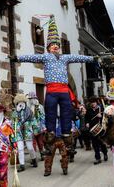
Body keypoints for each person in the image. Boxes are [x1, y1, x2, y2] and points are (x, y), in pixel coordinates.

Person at [10, 15, 99, 160]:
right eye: (52, 44)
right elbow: (31, 57)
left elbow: (79, 57)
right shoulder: (45, 57)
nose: (55, 46)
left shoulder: (65, 57)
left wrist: (92, 58)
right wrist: (17, 58)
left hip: (64, 92)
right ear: (48, 47)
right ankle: (48, 147)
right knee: (50, 117)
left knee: (66, 116)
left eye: (57, 44)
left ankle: (69, 146)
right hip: (51, 91)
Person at [11, 94, 37, 172]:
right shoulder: (15, 112)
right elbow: (13, 122)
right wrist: (16, 112)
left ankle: (34, 159)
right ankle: (22, 165)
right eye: (19, 102)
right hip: (19, 131)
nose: (21, 103)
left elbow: (33, 120)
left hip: (27, 130)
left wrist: (35, 129)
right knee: (20, 148)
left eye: (22, 102)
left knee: (30, 147)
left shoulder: (29, 111)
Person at [85, 96, 108, 164]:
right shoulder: (89, 110)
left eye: (94, 102)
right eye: (92, 103)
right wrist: (87, 123)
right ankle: (98, 158)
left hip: (100, 129)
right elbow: (86, 118)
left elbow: (106, 118)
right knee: (95, 144)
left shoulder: (101, 109)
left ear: (96, 102)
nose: (93, 104)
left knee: (102, 143)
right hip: (92, 129)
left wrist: (101, 117)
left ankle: (105, 153)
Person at [27, 92, 46, 160]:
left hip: (39, 127)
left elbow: (43, 117)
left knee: (40, 142)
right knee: (33, 143)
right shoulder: (27, 108)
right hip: (30, 128)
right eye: (30, 99)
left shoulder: (40, 107)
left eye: (32, 98)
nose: (31, 100)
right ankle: (34, 158)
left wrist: (43, 126)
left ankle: (42, 154)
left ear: (35, 98)